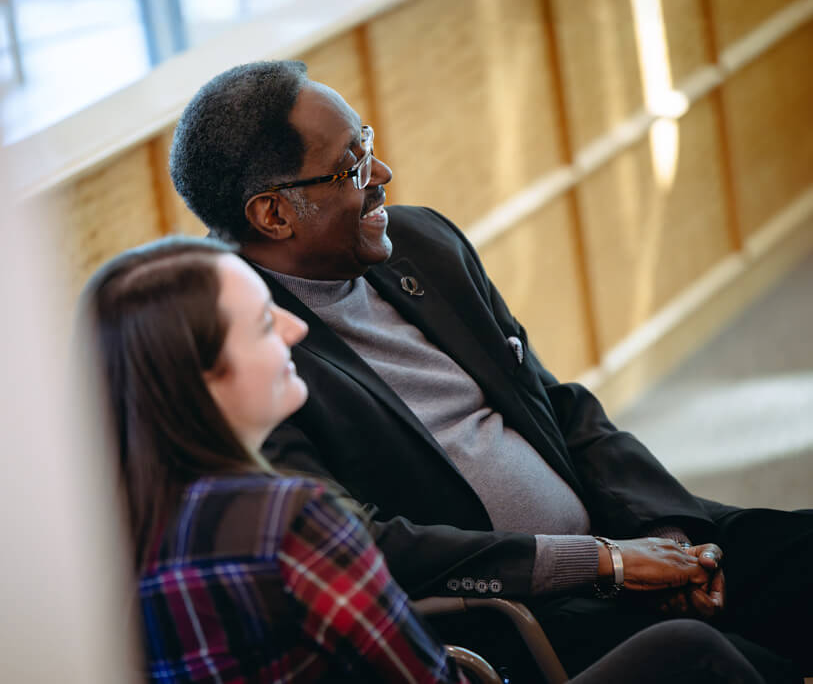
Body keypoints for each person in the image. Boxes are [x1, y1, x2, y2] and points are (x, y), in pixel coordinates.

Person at [168, 60, 813, 682]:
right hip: (519, 609)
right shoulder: (245, 352)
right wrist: (603, 565)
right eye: (352, 166)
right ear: (273, 215)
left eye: (365, 143)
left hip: (623, 528)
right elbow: (366, 545)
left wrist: (664, 535)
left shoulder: (423, 242)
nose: (383, 172)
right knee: (722, 659)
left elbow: (558, 405)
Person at [80, 236, 765, 684]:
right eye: (264, 323)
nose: (293, 327)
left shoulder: (116, 527)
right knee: (690, 651)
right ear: (204, 378)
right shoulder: (286, 520)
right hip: (497, 636)